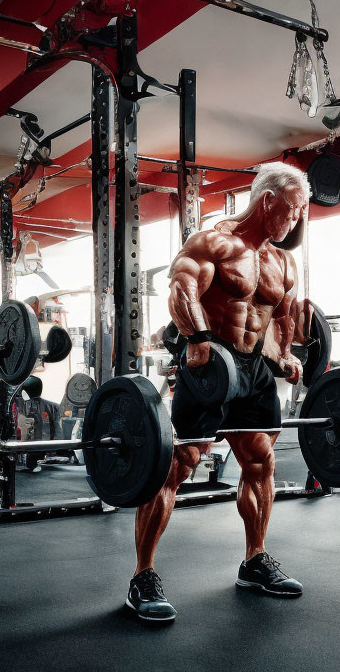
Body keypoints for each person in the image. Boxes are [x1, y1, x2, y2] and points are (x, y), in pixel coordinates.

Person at [126, 162, 310, 621]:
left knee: (260, 460)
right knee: (177, 464)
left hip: (253, 372)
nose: (294, 222)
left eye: (300, 213)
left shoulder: (283, 261)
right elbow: (181, 289)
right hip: (209, 363)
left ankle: (255, 560)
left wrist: (284, 355)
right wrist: (196, 338)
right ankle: (142, 575)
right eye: (290, 211)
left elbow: (281, 320)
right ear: (267, 201)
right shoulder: (214, 242)